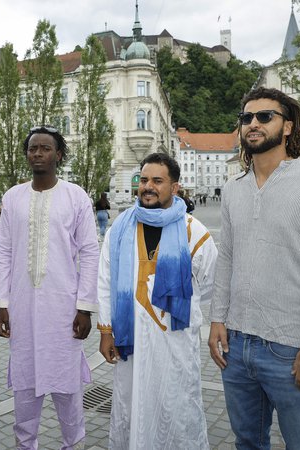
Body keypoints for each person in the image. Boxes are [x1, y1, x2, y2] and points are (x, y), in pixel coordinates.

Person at [208, 87, 300, 449]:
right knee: (247, 442)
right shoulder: (233, 188)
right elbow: (227, 259)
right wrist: (217, 320)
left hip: (291, 347)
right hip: (236, 346)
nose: (253, 124)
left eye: (265, 116)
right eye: (246, 118)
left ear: (287, 127)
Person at [97, 152, 216, 449]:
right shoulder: (120, 228)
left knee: (177, 409)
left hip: (174, 345)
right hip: (131, 344)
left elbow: (213, 284)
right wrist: (106, 331)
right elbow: (105, 280)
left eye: (157, 181)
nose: (148, 186)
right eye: (144, 179)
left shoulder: (193, 231)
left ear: (174, 188)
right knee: (131, 406)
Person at [0, 125, 100, 450]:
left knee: (67, 390)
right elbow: (4, 251)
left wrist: (84, 307)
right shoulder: (13, 197)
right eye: (32, 148)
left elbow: (90, 251)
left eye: (45, 148)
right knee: (25, 390)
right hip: (22, 309)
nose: (37, 153)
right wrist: (1, 303)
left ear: (59, 155)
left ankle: (74, 443)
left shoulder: (75, 196)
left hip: (63, 309)